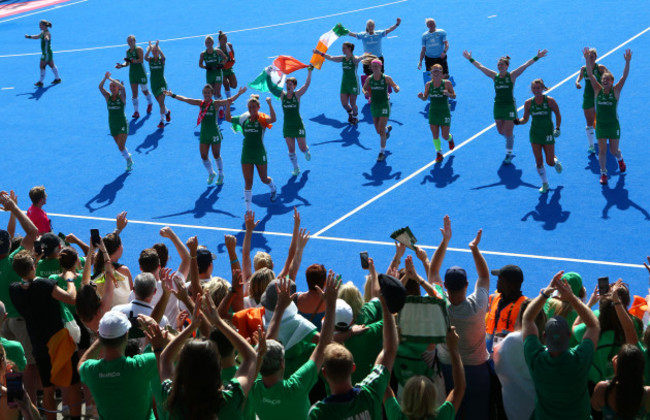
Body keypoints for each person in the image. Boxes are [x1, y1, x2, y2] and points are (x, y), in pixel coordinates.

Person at [250, 272, 339, 419]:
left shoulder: (253, 387)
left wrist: (278, 308)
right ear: (282, 363)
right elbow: (324, 344)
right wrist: (330, 304)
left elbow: (268, 344)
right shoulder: (295, 387)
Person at [159, 293, 258, 419]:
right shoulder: (230, 399)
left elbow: (164, 359)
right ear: (217, 367)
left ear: (183, 368)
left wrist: (191, 327)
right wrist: (219, 322)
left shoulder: (174, 401)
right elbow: (251, 357)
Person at [10, 250, 80, 420]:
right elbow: (71, 298)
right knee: (73, 384)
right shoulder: (44, 285)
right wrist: (70, 279)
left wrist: (32, 261)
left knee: (48, 388)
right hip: (59, 341)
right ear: (33, 266)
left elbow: (26, 278)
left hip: (39, 343)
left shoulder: (14, 290)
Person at [522, 271, 600, 420]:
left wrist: (545, 294)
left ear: (544, 336)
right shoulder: (580, 359)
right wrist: (572, 298)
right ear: (569, 335)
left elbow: (527, 319)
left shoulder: (535, 359)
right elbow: (594, 326)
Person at [308, 291, 398, 419]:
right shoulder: (370, 394)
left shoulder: (319, 413)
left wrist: (342, 335)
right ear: (352, 367)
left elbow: (320, 344)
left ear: (324, 372)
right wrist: (385, 303)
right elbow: (390, 349)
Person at [437, 227, 491, 420]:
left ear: (444, 286)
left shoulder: (440, 306)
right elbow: (484, 277)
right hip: (477, 371)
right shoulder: (478, 305)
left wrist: (445, 241)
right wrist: (474, 249)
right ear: (467, 284)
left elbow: (433, 272)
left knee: (454, 412)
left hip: (447, 369)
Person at [463, 49, 547, 164]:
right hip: (498, 106)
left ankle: (508, 154)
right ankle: (510, 138)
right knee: (500, 131)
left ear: (507, 66)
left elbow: (525, 65)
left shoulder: (512, 76)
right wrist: (470, 58)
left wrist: (537, 57)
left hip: (509, 107)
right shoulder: (494, 76)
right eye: (498, 65)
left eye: (502, 65)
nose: (500, 66)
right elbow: (481, 67)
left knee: (507, 132)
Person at [78, 311, 161, 419]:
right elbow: (173, 353)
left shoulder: (92, 371)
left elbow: (81, 363)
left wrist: (101, 339)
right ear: (127, 334)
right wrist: (157, 328)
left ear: (99, 335)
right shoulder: (141, 365)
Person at [0, 192, 39, 403]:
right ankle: (30, 406)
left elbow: (9, 234)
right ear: (9, 247)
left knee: (10, 365)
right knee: (29, 366)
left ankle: (14, 402)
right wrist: (14, 208)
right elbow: (33, 232)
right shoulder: (16, 262)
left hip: (2, 321)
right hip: (20, 321)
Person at [165, 85, 246, 185]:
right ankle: (211, 173)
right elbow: (186, 99)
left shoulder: (216, 104)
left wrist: (239, 93)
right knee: (203, 156)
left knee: (216, 154)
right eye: (205, 92)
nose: (206, 94)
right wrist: (172, 95)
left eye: (208, 92)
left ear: (212, 94)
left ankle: (221, 174)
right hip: (204, 133)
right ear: (203, 94)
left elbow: (229, 100)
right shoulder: (200, 103)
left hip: (214, 132)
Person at [384, 328, 465, 420]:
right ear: (433, 400)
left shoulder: (398, 417)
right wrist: (453, 348)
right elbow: (459, 389)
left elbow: (384, 386)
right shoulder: (441, 417)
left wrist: (392, 343)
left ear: (405, 398)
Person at [583, 47, 632, 185]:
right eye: (603, 80)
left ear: (611, 81)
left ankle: (620, 159)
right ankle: (603, 173)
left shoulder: (616, 91)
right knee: (602, 150)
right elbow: (590, 74)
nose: (604, 81)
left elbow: (624, 76)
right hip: (601, 125)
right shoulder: (597, 90)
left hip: (613, 125)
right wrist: (587, 59)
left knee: (613, 150)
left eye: (607, 80)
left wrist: (627, 62)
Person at [493, 299, 546, 420]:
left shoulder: (511, 340)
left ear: (521, 316)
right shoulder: (545, 348)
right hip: (538, 411)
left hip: (513, 412)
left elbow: (496, 364)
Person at [225, 94, 278, 212]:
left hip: (259, 153)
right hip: (247, 153)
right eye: (250, 107)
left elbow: (274, 119)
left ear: (258, 107)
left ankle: (272, 187)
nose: (252, 109)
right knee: (248, 181)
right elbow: (228, 118)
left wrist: (270, 104)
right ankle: (248, 210)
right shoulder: (244, 118)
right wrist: (228, 105)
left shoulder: (262, 119)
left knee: (264, 179)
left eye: (254, 107)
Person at [517, 78, 563, 193]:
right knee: (538, 161)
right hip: (535, 134)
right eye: (534, 88)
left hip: (547, 134)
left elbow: (558, 115)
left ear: (542, 88)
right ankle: (545, 183)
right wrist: (518, 121)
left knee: (550, 162)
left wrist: (557, 128)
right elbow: (525, 119)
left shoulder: (550, 101)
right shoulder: (528, 103)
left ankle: (556, 161)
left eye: (538, 88)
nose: (536, 90)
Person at [591, 344, 650, 419]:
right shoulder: (647, 394)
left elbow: (595, 406)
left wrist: (617, 375)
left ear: (617, 366)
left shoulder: (602, 389)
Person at [316, 42, 364, 124]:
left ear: (349, 49)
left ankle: (355, 116)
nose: (342, 50)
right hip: (344, 84)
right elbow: (331, 57)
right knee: (344, 104)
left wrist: (362, 57)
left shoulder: (354, 58)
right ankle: (350, 113)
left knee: (353, 103)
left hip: (353, 84)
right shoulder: (343, 58)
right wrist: (320, 53)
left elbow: (357, 60)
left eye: (344, 48)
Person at [362, 59, 399, 161]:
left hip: (384, 105)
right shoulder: (369, 79)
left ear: (380, 67)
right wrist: (365, 92)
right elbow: (364, 88)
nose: (375, 68)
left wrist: (396, 88)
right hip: (374, 105)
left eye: (376, 66)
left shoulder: (386, 78)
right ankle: (387, 130)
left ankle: (381, 153)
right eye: (373, 66)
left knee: (381, 130)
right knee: (378, 130)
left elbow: (395, 85)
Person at [417, 64, 455, 163]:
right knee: (435, 135)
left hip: (444, 112)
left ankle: (450, 138)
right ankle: (439, 153)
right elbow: (425, 98)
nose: (436, 73)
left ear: (442, 73)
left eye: (438, 71)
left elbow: (454, 96)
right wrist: (421, 97)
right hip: (433, 112)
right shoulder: (428, 85)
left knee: (445, 136)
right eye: (434, 71)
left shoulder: (447, 83)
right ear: (431, 73)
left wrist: (448, 94)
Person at [486, 264, 527, 353]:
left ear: (511, 285)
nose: (497, 282)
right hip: (489, 355)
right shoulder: (493, 298)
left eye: (500, 279)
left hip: (509, 357)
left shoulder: (524, 306)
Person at [99, 72, 134, 171]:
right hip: (112, 124)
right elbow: (100, 87)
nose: (112, 88)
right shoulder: (108, 97)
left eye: (114, 86)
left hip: (122, 123)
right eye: (111, 86)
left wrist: (111, 79)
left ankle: (128, 161)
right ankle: (128, 158)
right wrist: (105, 78)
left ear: (118, 87)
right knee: (120, 147)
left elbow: (123, 88)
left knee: (121, 145)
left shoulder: (121, 98)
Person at [575, 48, 608, 154]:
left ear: (596, 58)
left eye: (592, 57)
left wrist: (605, 87)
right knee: (589, 122)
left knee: (600, 120)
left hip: (599, 97)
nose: (590, 59)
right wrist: (577, 82)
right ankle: (591, 146)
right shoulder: (583, 69)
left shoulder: (601, 68)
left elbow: (610, 78)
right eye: (588, 57)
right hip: (588, 97)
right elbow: (579, 77)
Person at [282, 66, 313, 176]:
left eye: (290, 84)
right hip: (287, 126)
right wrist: (268, 74)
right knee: (291, 149)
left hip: (298, 125)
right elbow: (273, 87)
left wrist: (309, 72)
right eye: (287, 84)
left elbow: (307, 85)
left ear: (294, 86)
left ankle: (306, 151)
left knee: (302, 148)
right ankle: (296, 168)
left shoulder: (297, 94)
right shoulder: (282, 96)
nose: (288, 86)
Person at [115, 35, 154, 119]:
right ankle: (136, 111)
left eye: (131, 41)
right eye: (128, 41)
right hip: (132, 74)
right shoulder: (128, 51)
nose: (130, 43)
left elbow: (141, 60)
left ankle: (150, 103)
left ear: (135, 41)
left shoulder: (139, 49)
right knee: (134, 93)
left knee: (144, 91)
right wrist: (121, 65)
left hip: (141, 73)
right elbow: (127, 63)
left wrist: (131, 60)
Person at [24, 20, 61, 87]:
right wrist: (29, 37)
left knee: (42, 66)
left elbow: (47, 37)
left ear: (44, 26)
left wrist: (46, 38)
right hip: (48, 52)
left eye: (40, 25)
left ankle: (41, 82)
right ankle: (57, 78)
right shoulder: (43, 32)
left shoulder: (47, 33)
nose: (39, 26)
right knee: (52, 65)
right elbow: (37, 37)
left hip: (46, 53)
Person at [144, 40, 171, 129]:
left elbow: (164, 57)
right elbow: (145, 57)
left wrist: (157, 47)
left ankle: (161, 121)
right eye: (153, 51)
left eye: (156, 51)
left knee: (161, 101)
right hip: (153, 84)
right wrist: (150, 49)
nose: (155, 52)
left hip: (162, 84)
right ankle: (167, 112)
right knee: (160, 103)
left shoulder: (161, 60)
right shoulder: (150, 60)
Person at [199, 35, 229, 104]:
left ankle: (222, 106)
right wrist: (206, 67)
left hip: (217, 73)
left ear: (212, 43)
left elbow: (225, 58)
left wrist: (222, 64)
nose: (208, 44)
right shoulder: (203, 54)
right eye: (206, 43)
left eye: (209, 42)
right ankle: (217, 106)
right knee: (212, 92)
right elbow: (200, 64)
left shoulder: (217, 51)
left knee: (218, 93)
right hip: (209, 74)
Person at [218, 31, 237, 100]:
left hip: (229, 67)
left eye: (226, 39)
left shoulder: (229, 45)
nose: (225, 41)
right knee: (226, 84)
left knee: (234, 85)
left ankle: (226, 82)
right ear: (219, 40)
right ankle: (229, 99)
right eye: (223, 39)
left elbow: (232, 55)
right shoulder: (217, 50)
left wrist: (232, 61)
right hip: (221, 69)